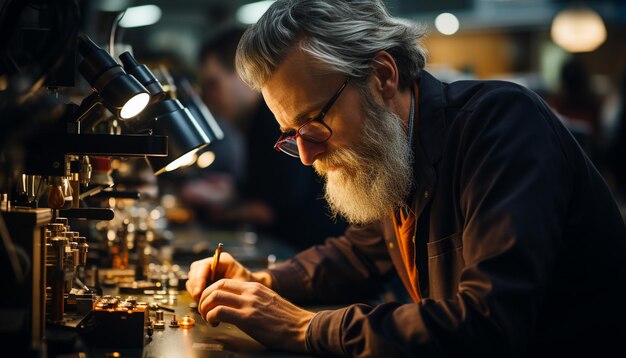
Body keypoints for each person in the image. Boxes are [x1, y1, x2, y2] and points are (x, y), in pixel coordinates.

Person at [185, 1, 626, 356]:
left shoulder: (501, 125)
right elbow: (361, 253)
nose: (305, 155)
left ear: (381, 77)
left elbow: (487, 323)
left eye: (314, 123)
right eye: (291, 134)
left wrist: (303, 327)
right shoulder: (398, 149)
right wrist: (264, 283)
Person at [180, 26, 347, 250]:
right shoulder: (253, 122)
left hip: (311, 250)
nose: (209, 98)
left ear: (243, 73)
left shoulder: (274, 121)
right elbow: (267, 191)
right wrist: (231, 192)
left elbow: (267, 210)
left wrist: (219, 210)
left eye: (213, 84)